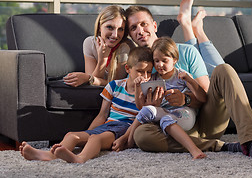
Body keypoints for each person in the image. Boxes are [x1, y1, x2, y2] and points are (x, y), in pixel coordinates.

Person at [124, 0, 252, 162]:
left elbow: (206, 95)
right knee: (141, 135)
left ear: (154, 25)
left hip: (204, 120)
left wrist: (185, 99)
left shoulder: (187, 51)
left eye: (143, 24)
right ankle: (220, 146)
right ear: (130, 34)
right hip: (171, 128)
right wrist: (153, 105)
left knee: (223, 69)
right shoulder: (139, 67)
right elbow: (143, 110)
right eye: (133, 27)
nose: (139, 30)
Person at [19, 47, 153, 163]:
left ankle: (80, 158)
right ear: (128, 69)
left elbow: (141, 117)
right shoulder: (114, 86)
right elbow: (102, 115)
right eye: (140, 71)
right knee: (72, 135)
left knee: (95, 139)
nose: (145, 76)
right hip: (108, 125)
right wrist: (87, 133)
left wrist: (123, 139)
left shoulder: (147, 91)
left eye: (149, 72)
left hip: (124, 128)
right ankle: (47, 155)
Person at [116, 37, 207, 159]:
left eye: (164, 61)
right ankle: (129, 141)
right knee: (146, 110)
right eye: (156, 61)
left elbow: (202, 98)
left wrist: (190, 80)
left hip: (185, 115)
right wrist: (138, 87)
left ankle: (194, 150)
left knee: (166, 119)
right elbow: (140, 107)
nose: (160, 65)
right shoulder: (152, 78)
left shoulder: (181, 76)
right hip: (165, 112)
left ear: (174, 60)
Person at [63, 5, 135, 87]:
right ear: (99, 27)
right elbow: (92, 85)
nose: (115, 35)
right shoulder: (90, 43)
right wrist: (102, 61)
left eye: (120, 29)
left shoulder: (125, 48)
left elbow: (115, 86)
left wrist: (88, 78)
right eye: (110, 27)